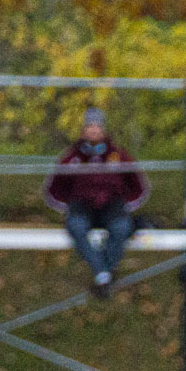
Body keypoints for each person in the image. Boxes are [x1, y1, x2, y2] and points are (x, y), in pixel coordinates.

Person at [44, 107, 147, 296]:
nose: (93, 129)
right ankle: (103, 275)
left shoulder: (118, 155)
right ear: (83, 130)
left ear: (103, 129)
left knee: (122, 226)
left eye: (97, 125)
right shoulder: (71, 157)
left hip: (112, 205)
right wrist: (67, 205)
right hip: (81, 206)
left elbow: (139, 185)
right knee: (75, 225)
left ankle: (103, 275)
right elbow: (53, 189)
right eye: (89, 125)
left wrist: (127, 204)